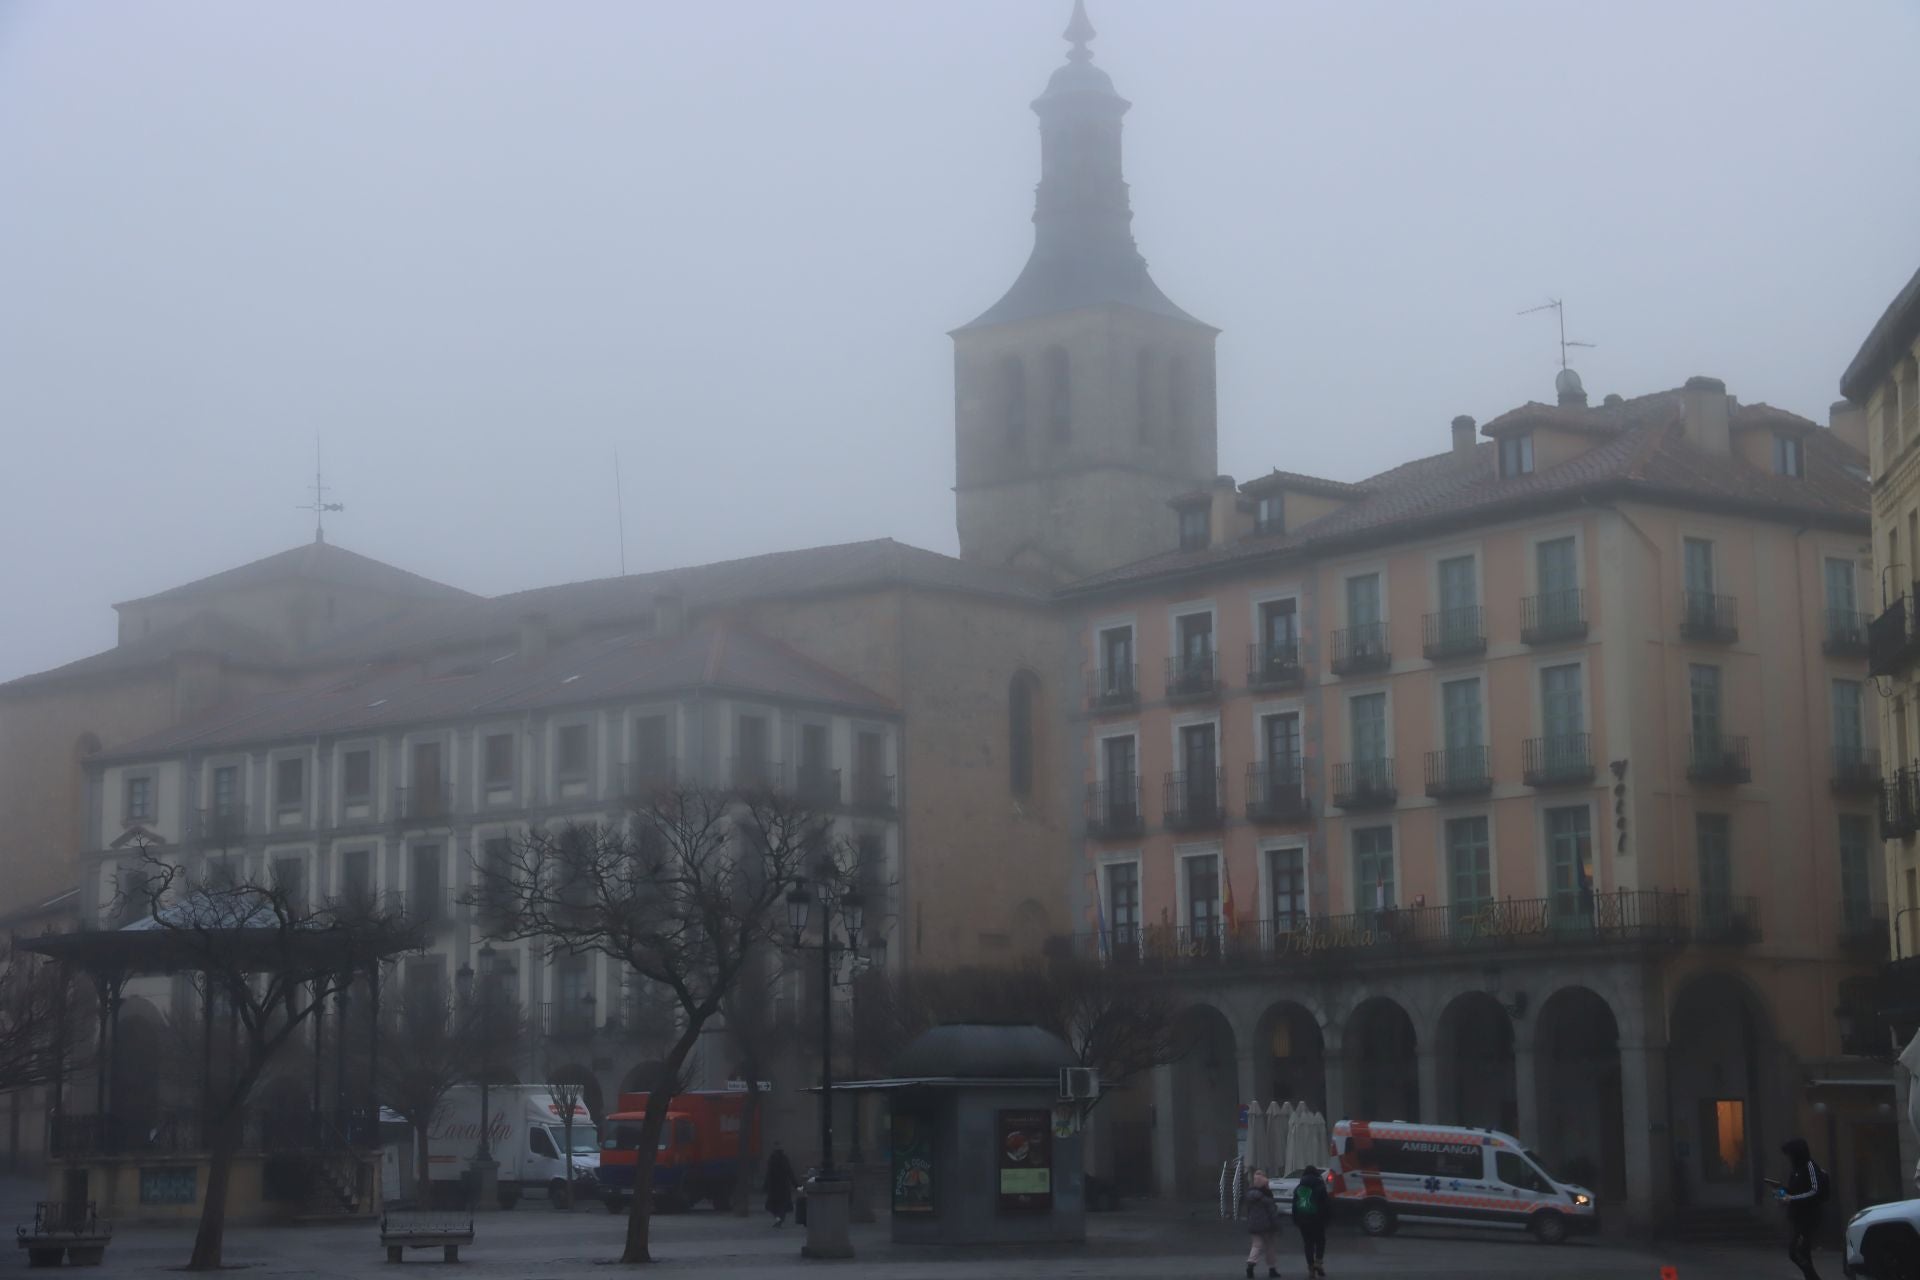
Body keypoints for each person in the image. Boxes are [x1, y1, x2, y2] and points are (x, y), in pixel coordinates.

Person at [1776, 1137, 1828, 1280]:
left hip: (1809, 1217)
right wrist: (1781, 1192)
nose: (1789, 1158)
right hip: (1798, 1216)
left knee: (1795, 1252)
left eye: (1790, 1154)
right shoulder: (1796, 1170)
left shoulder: (1810, 1166)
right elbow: (1793, 1190)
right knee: (1803, 1252)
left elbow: (1814, 1190)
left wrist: (1791, 1198)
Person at [1291, 1165, 1330, 1278]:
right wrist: (1327, 1219)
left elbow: (1294, 1206)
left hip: (1303, 1220)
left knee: (1308, 1244)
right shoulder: (1321, 1186)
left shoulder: (1299, 1187)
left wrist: (1295, 1219)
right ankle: (1318, 1262)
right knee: (1320, 1241)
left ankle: (1311, 1268)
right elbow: (1326, 1205)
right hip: (1318, 1220)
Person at [1242, 1168, 1282, 1280]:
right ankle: (1272, 1269)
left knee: (1256, 1245)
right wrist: (1278, 1226)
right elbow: (1272, 1212)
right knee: (1270, 1247)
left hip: (1254, 1225)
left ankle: (1251, 1263)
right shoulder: (1266, 1197)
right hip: (1267, 1226)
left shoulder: (1249, 1195)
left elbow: (1248, 1211)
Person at [763, 1142, 796, 1227]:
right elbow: (790, 1172)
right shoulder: (784, 1159)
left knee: (773, 1207)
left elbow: (769, 1173)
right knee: (782, 1207)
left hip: (774, 1187)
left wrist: (765, 1185)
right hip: (783, 1186)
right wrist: (795, 1184)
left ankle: (778, 1220)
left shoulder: (772, 1159)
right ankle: (779, 1219)